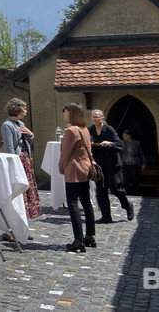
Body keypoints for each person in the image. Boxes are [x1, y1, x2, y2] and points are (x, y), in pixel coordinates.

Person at [58, 103, 96, 253]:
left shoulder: (71, 131)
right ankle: (90, 235)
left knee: (73, 204)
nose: (63, 114)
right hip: (85, 169)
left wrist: (61, 168)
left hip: (74, 170)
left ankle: (78, 239)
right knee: (86, 203)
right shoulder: (85, 129)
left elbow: (65, 154)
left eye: (65, 112)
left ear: (71, 113)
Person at [1, 98, 41, 221]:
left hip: (26, 160)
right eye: (24, 108)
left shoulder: (21, 124)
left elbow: (26, 142)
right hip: (18, 161)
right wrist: (14, 165)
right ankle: (15, 223)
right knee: (19, 192)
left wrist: (30, 134)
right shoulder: (7, 125)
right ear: (17, 109)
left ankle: (24, 221)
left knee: (28, 190)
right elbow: (9, 148)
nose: (26, 111)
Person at [89, 110, 134, 223]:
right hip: (99, 165)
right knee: (101, 190)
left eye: (97, 117)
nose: (95, 119)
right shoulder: (91, 130)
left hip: (112, 164)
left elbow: (119, 144)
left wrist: (110, 144)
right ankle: (106, 216)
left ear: (102, 118)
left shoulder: (109, 129)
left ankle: (127, 206)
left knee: (115, 188)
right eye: (93, 117)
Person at [121, 129, 146, 195]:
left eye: (126, 135)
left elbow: (141, 153)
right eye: (124, 135)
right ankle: (126, 193)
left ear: (130, 136)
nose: (125, 137)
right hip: (125, 164)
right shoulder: (121, 143)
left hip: (134, 164)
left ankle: (135, 192)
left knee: (135, 180)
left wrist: (143, 163)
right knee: (125, 180)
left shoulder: (136, 143)